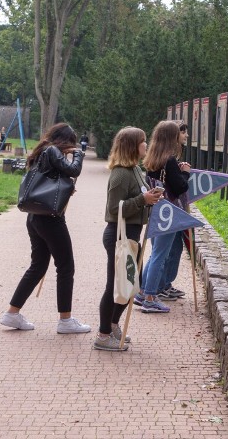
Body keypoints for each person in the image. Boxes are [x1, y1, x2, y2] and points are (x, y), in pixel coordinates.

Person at [0, 122, 90, 334]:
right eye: (71, 143)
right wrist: (78, 154)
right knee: (66, 267)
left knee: (38, 266)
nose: (72, 148)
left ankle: (12, 313)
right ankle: (65, 320)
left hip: (35, 217)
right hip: (50, 219)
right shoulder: (52, 150)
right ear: (65, 141)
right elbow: (73, 169)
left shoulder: (43, 151)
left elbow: (55, 179)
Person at [93, 127, 162, 351]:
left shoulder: (134, 169)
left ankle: (112, 325)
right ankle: (103, 335)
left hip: (132, 234)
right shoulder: (121, 173)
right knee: (116, 284)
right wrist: (143, 199)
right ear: (133, 146)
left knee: (131, 284)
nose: (146, 146)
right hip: (118, 235)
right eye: (143, 142)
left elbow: (138, 199)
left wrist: (149, 198)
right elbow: (115, 208)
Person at [136, 120, 191, 313]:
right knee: (160, 254)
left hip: (157, 210)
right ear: (172, 137)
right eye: (179, 133)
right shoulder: (170, 161)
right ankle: (150, 296)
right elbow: (181, 187)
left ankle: (143, 292)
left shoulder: (154, 158)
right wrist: (185, 173)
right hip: (170, 212)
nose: (182, 136)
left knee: (156, 253)